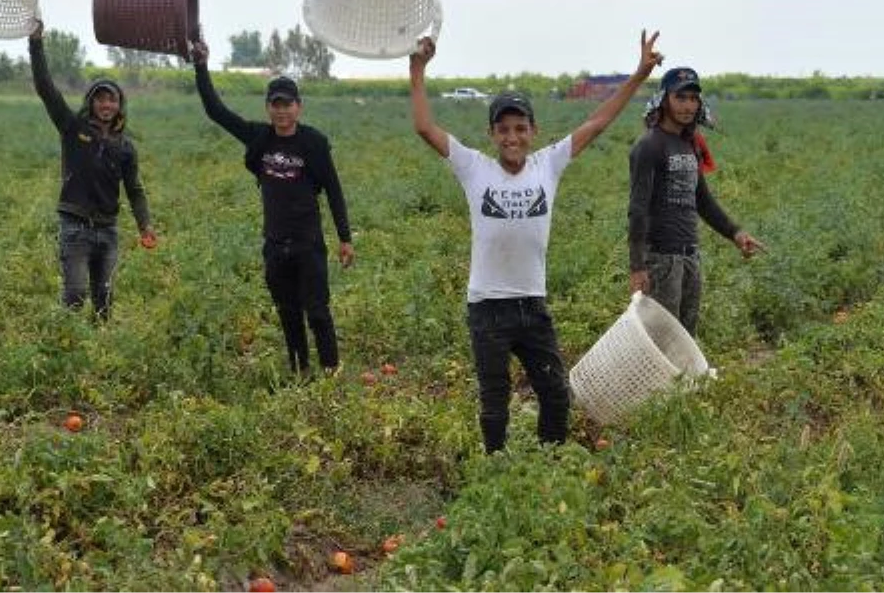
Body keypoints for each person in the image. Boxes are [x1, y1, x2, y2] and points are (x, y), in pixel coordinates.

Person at [409, 30, 663, 454]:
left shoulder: (548, 164)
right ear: (492, 133)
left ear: (533, 131)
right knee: (495, 403)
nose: (513, 137)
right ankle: (495, 472)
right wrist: (417, 71)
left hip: (532, 306)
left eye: (521, 128)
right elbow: (424, 127)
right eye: (504, 129)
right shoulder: (474, 168)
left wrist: (639, 74)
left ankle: (547, 466)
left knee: (555, 394)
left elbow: (597, 123)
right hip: (487, 308)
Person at [190, 40, 354, 377]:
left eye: (287, 104)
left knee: (318, 310)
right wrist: (201, 67)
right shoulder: (259, 138)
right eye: (275, 105)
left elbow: (334, 190)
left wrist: (345, 237)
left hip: (308, 243)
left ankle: (330, 370)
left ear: (299, 107)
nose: (282, 111)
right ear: (268, 108)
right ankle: (300, 372)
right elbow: (215, 111)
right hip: (275, 244)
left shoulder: (314, 143)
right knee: (287, 311)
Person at [28, 20, 155, 320]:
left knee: (105, 300)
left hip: (108, 230)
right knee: (74, 296)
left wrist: (144, 225)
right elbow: (46, 90)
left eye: (111, 99)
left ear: (119, 105)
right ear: (91, 102)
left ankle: (100, 355)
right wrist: (36, 44)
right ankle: (62, 345)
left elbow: (134, 190)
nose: (106, 104)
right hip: (74, 227)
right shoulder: (73, 128)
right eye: (100, 98)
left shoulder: (125, 147)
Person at [628, 67, 764, 336]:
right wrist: (638, 266)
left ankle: (683, 380)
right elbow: (638, 208)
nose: (688, 105)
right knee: (661, 338)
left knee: (684, 337)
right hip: (661, 259)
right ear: (664, 100)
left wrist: (735, 233)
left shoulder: (690, 144)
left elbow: (702, 199)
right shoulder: (649, 146)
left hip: (690, 254)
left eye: (693, 99)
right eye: (681, 98)